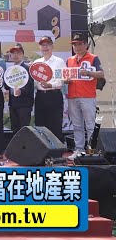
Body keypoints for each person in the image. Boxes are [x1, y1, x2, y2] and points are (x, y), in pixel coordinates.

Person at [65, 32, 104, 160]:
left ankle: (92, 150)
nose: (76, 47)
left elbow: (101, 74)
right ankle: (79, 149)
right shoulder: (70, 60)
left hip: (87, 96)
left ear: (86, 44)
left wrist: (88, 72)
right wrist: (66, 80)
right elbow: (66, 76)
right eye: (74, 44)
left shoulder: (93, 58)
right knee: (77, 125)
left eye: (79, 44)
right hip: (72, 96)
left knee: (90, 124)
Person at [32, 35, 65, 143]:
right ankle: (42, 149)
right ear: (40, 47)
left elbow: (61, 80)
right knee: (40, 124)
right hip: (40, 96)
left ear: (52, 46)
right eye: (43, 45)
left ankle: (56, 150)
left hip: (54, 95)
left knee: (55, 124)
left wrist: (50, 85)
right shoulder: (36, 63)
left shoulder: (59, 61)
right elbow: (34, 82)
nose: (45, 47)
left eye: (47, 45)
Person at [3, 43, 34, 138]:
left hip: (24, 104)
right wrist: (6, 80)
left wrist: (21, 91)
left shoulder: (28, 69)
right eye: (13, 53)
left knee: (24, 129)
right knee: (15, 129)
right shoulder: (10, 70)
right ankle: (16, 147)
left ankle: (25, 147)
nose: (15, 55)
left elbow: (31, 86)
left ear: (23, 54)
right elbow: (6, 86)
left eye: (18, 53)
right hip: (13, 104)